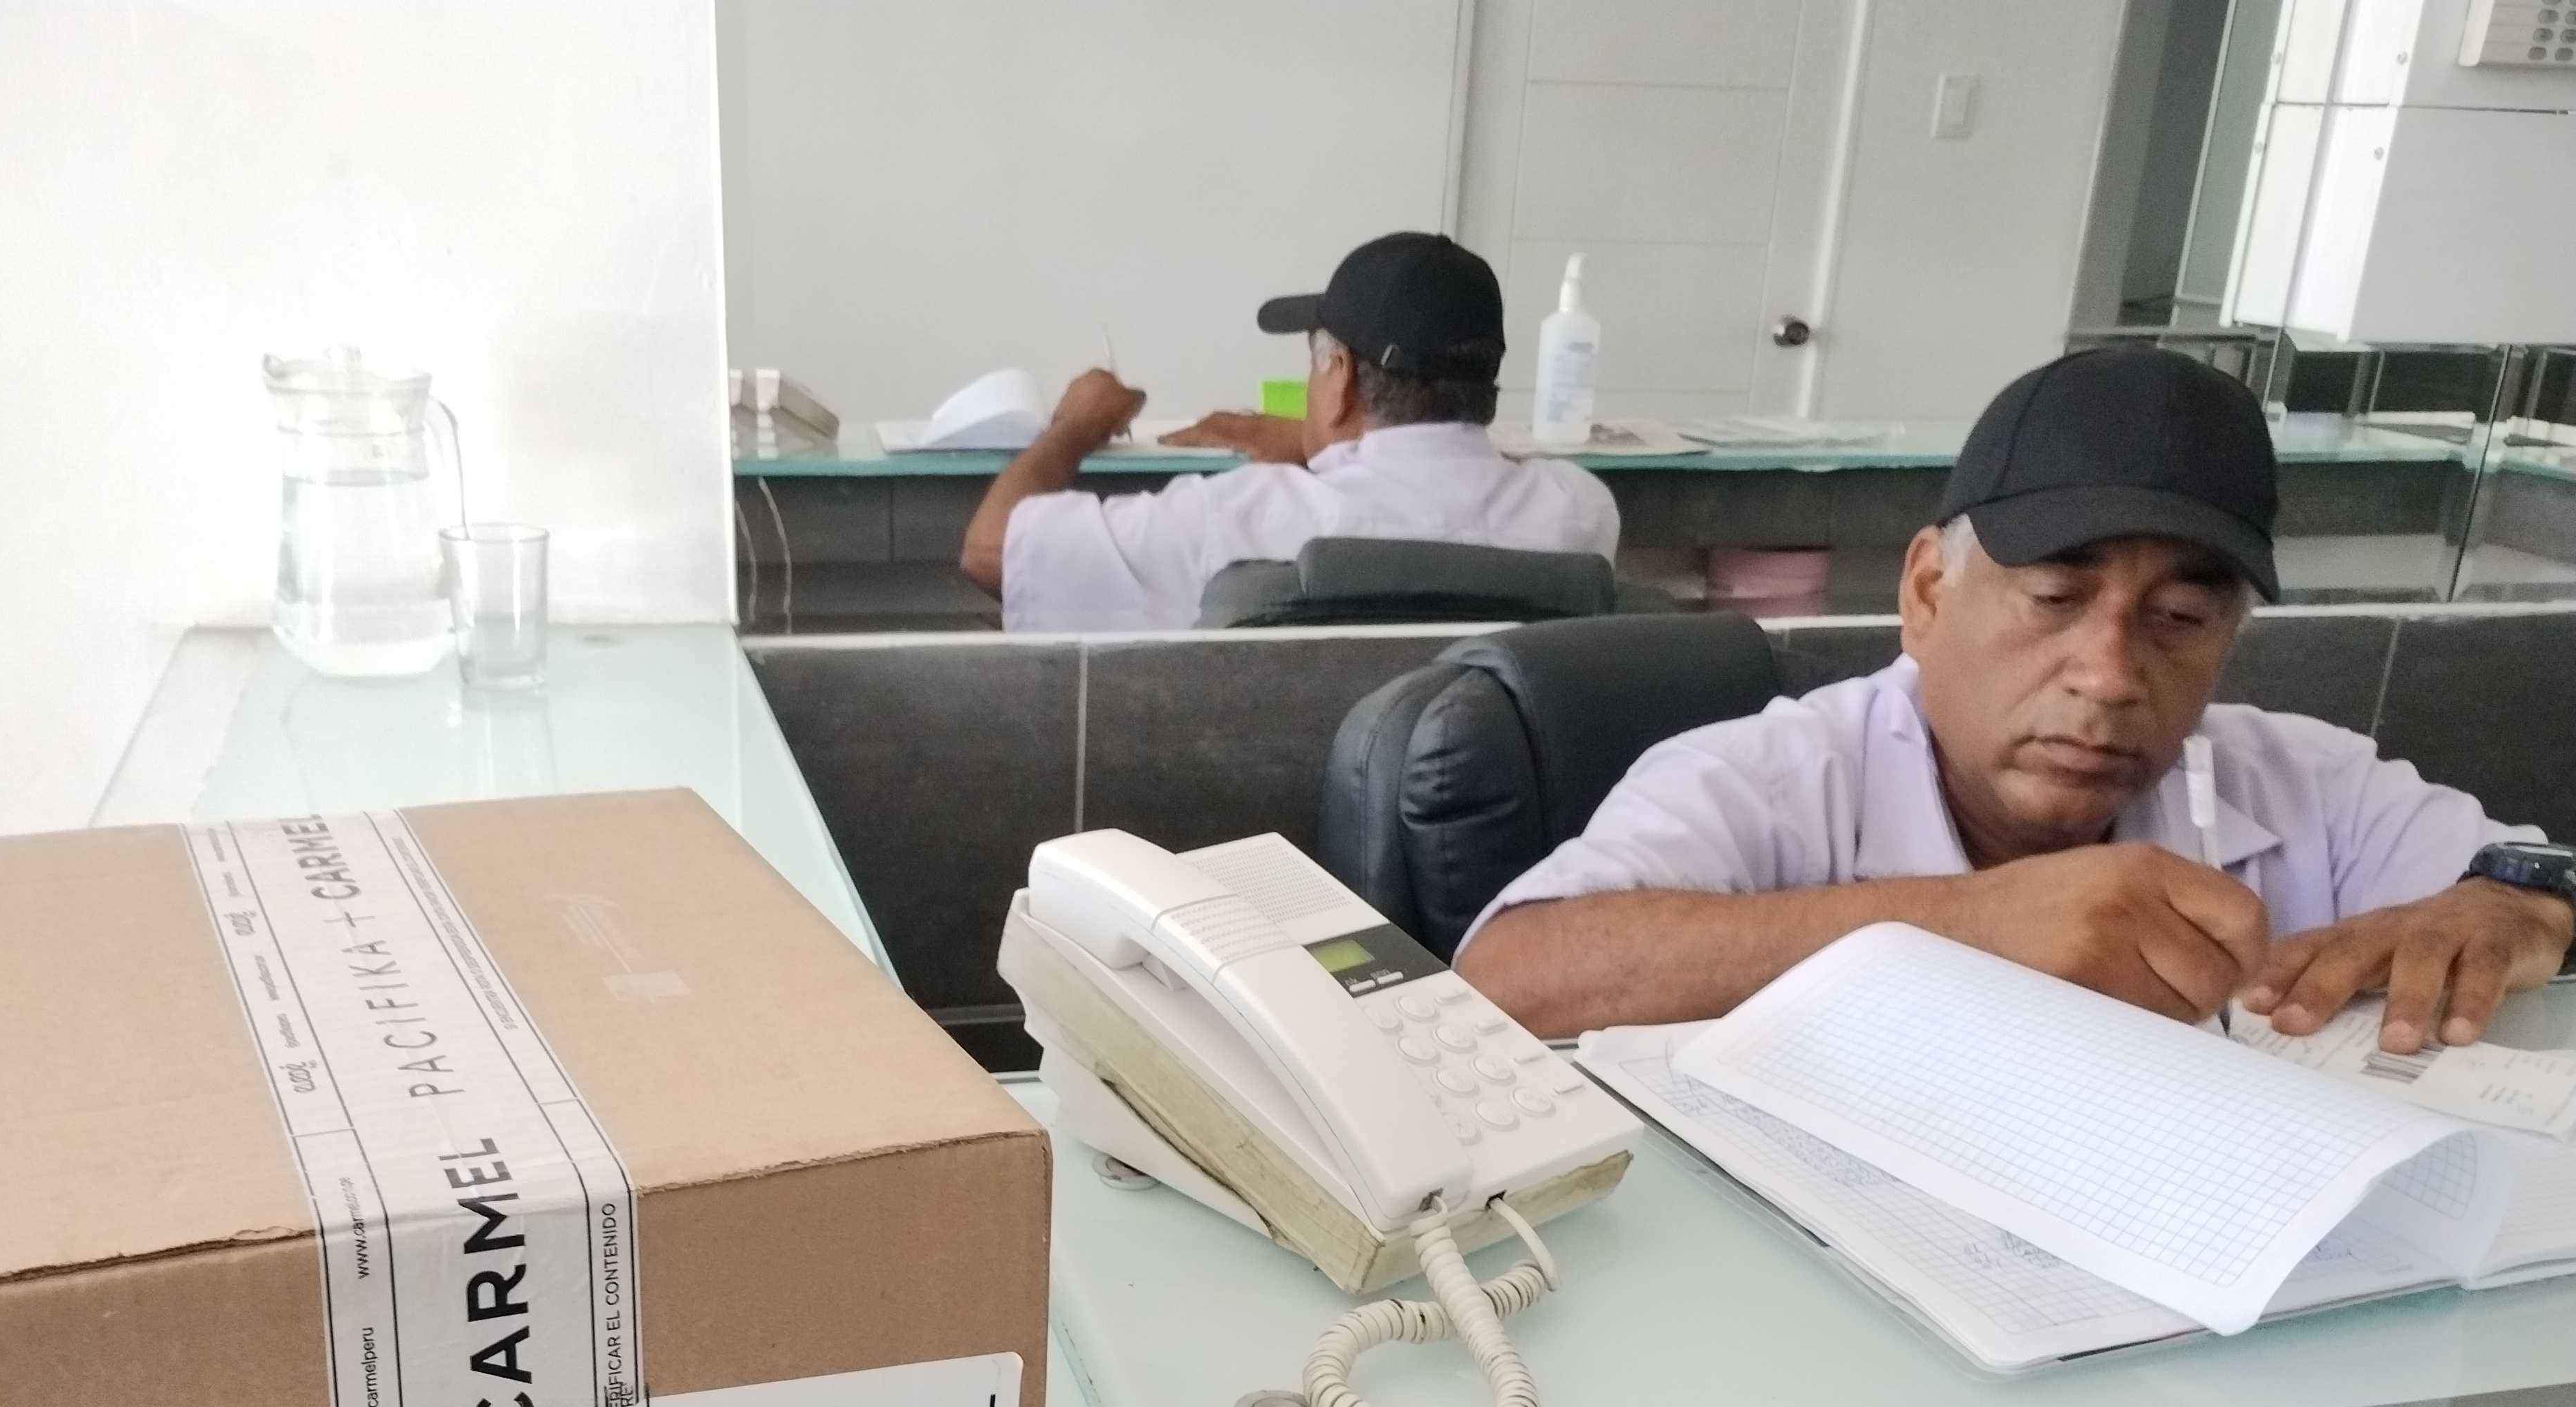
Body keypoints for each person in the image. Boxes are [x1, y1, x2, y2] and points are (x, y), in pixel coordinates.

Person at [1453, 345, 2574, 1055]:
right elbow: (1508, 981)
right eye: (2055, 600)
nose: (2111, 676)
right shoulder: (1770, 780)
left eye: (2181, 618)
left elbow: (2538, 875)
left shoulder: (2302, 783)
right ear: (1928, 593)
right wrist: (1963, 925)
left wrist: (2506, 911)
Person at [960, 233, 1619, 633]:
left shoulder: (1238, 515)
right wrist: (1323, 451)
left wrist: (1078, 424)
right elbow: (1446, 483)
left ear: (1340, 379)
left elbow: (992, 553)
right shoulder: (1580, 513)